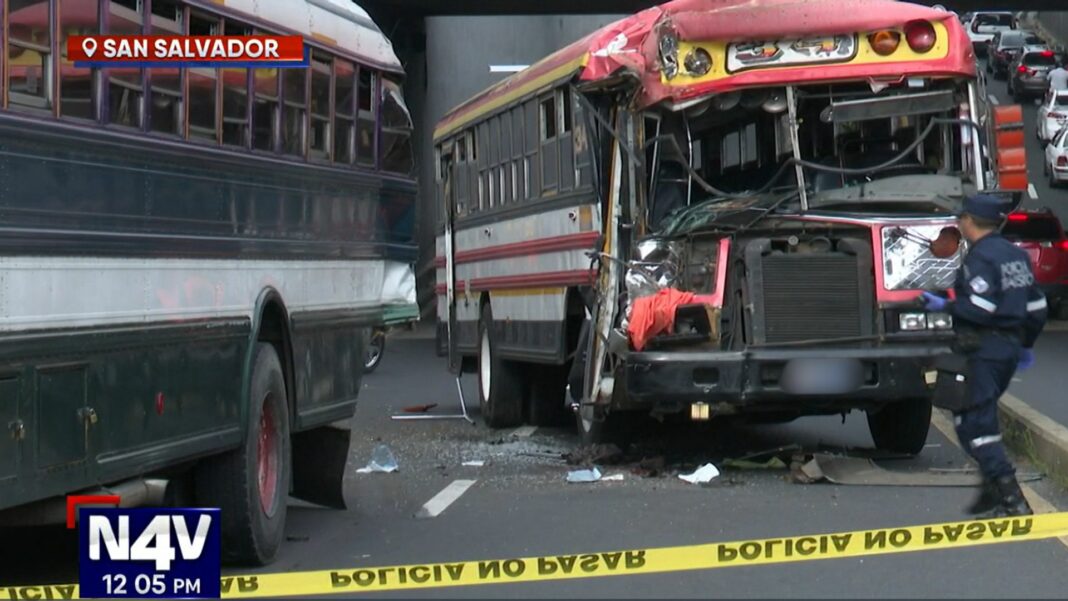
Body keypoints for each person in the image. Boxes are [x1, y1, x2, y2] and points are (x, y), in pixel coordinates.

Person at [921, 194, 1047, 517]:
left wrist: (945, 305)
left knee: (974, 423)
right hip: (1005, 349)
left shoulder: (981, 258)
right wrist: (1025, 344)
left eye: (960, 218)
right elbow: (1036, 307)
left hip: (983, 349)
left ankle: (1011, 496)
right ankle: (991, 493)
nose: (957, 223)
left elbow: (979, 308)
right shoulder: (1015, 256)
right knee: (972, 418)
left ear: (969, 221)